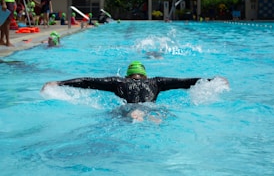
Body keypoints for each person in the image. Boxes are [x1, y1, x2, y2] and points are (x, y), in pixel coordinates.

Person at [41, 61, 229, 103]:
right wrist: (214, 80)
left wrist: (59, 83)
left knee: (132, 114)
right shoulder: (157, 82)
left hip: (127, 109)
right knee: (155, 116)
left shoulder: (118, 82)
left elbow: (88, 81)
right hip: (153, 109)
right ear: (144, 76)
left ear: (128, 75)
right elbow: (186, 82)